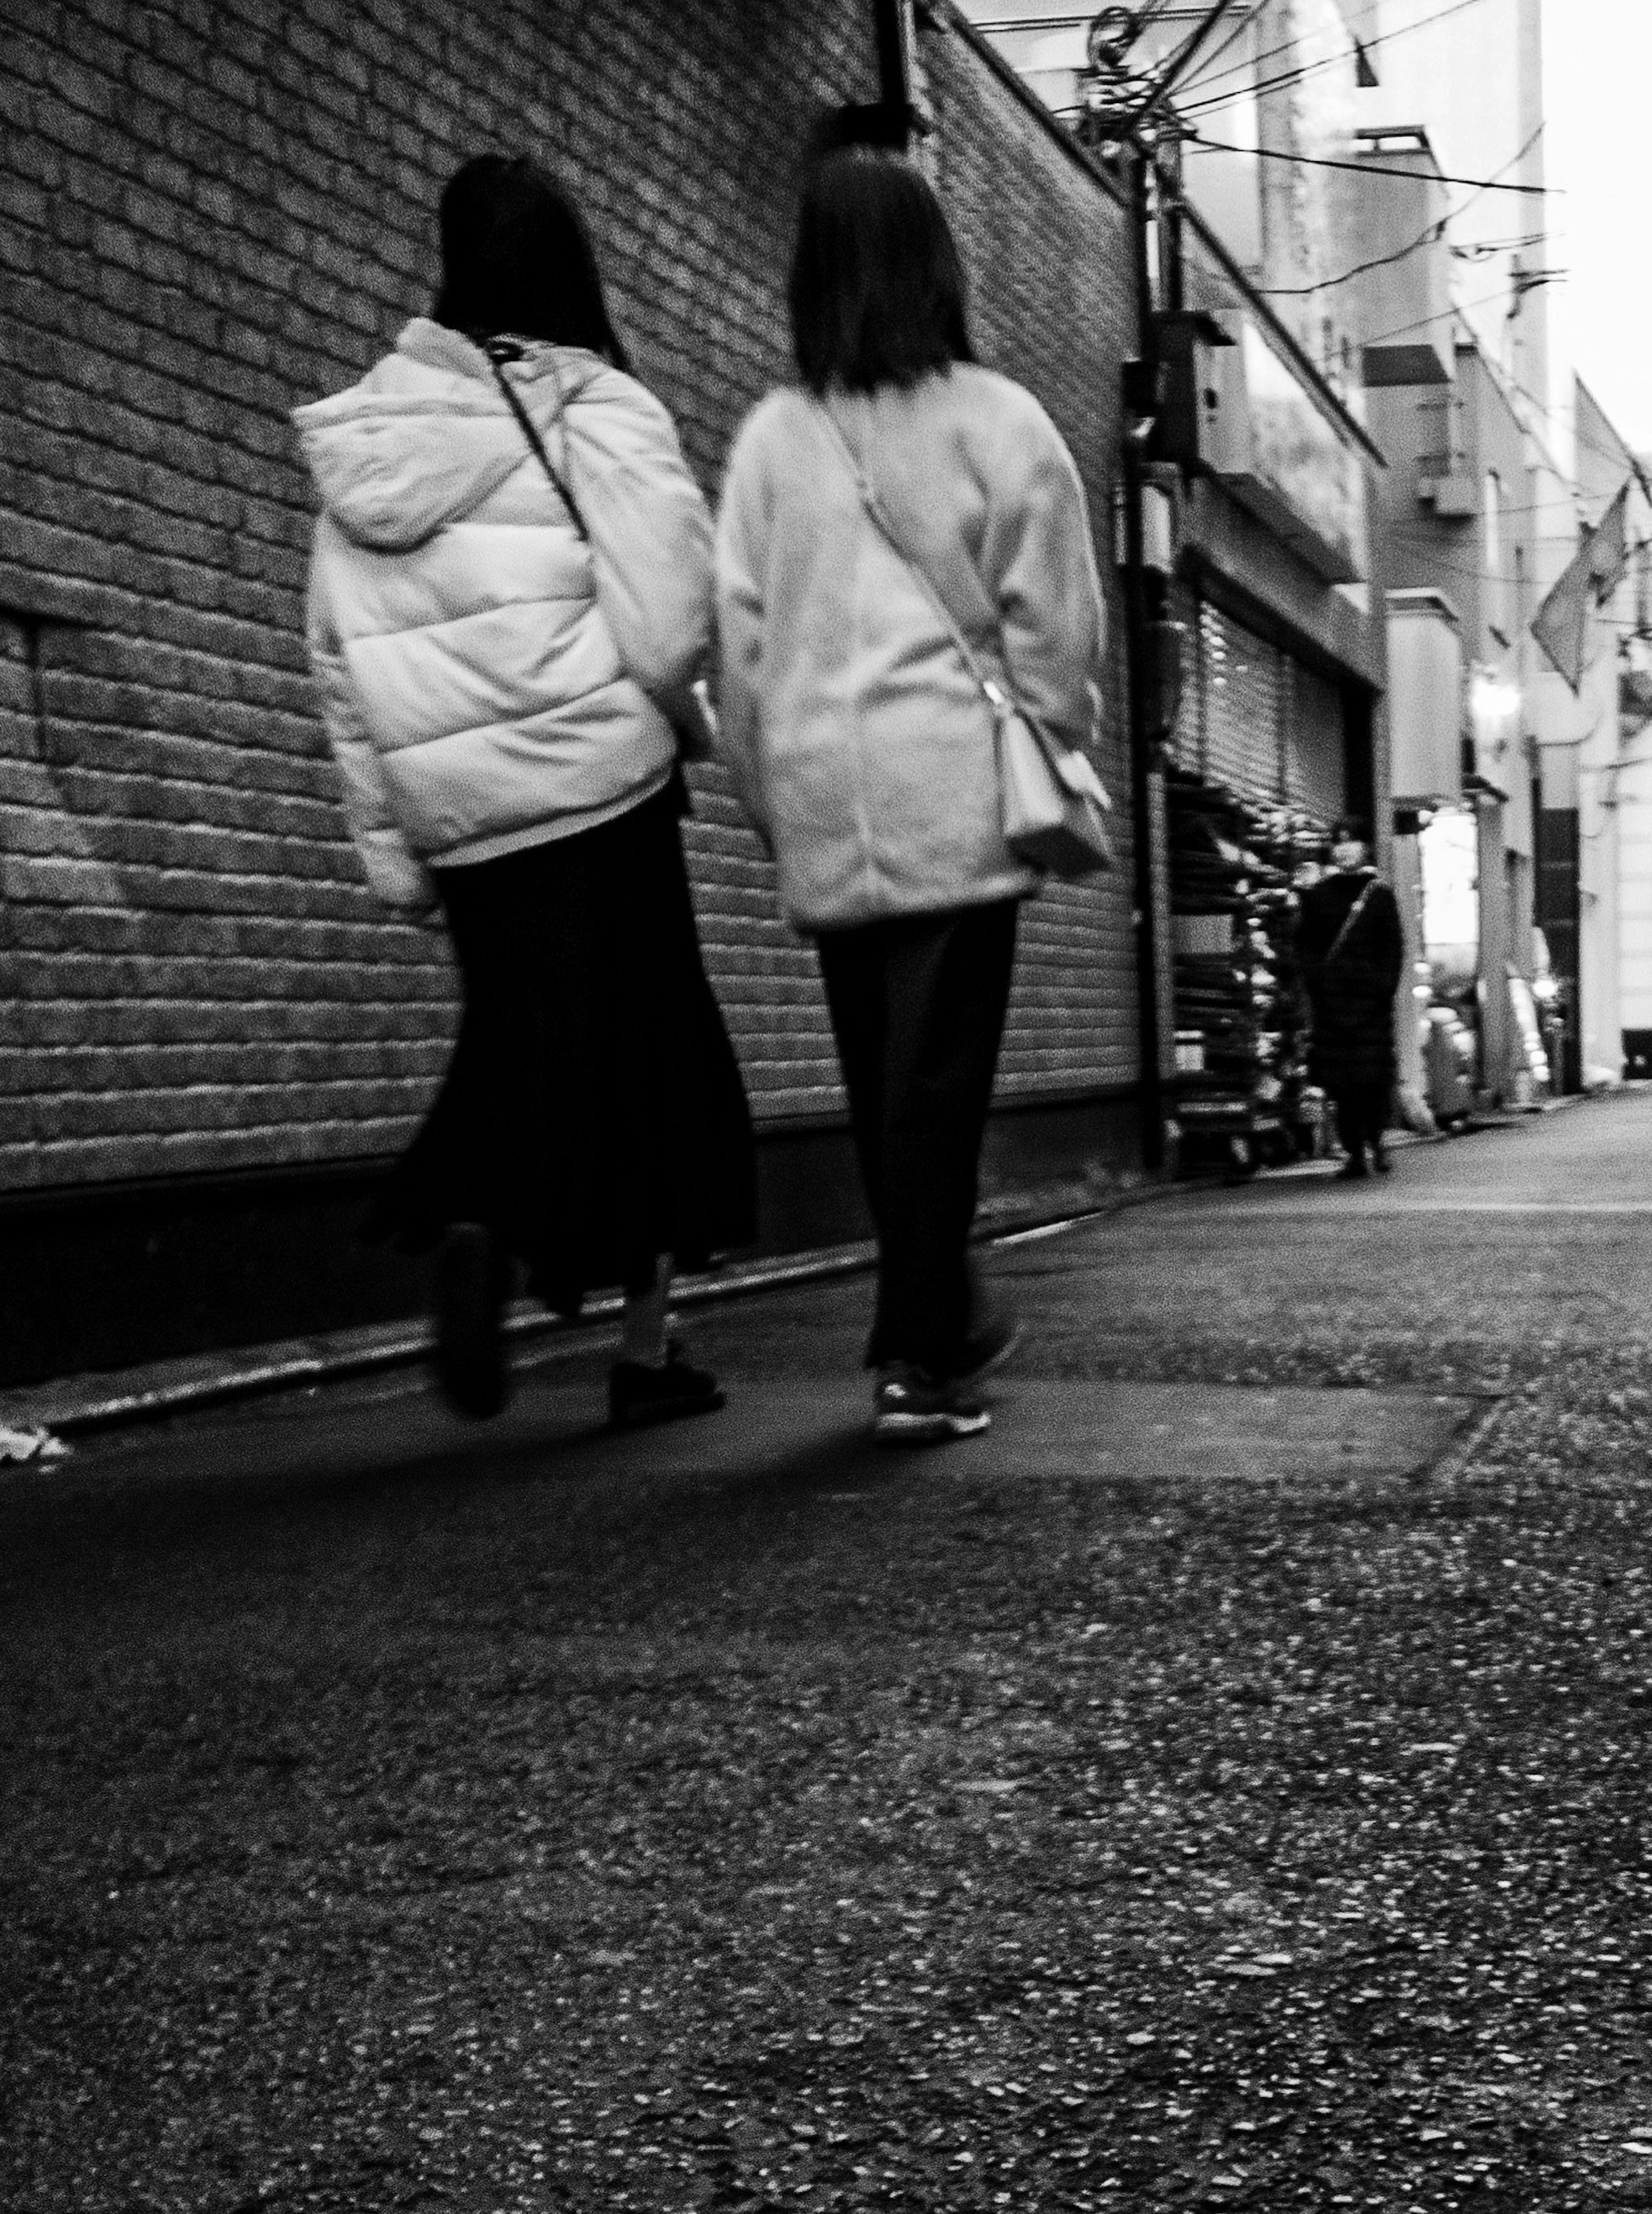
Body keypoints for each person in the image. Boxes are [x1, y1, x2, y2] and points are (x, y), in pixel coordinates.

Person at [298, 155, 752, 1428]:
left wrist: (394, 849)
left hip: (463, 817)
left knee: (523, 1047)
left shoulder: (370, 438)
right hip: (601, 789)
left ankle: (484, 1223)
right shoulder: (598, 406)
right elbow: (667, 626)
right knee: (656, 1068)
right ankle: (640, 1346)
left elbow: (340, 668)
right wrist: (689, 723)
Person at [716, 115, 1109, 1446]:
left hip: (826, 794)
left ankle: (935, 1323)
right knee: (938, 1085)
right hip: (952, 786)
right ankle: (914, 1356)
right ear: (940, 264)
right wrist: (1052, 733)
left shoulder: (774, 437)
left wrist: (773, 800)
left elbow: (742, 643)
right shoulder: (997, 419)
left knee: (886, 1083)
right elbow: (1055, 620)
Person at [1293, 820, 1404, 1179]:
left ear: (1365, 848)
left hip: (1371, 1004)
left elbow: (1393, 947)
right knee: (1342, 1084)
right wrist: (1318, 983)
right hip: (1333, 1004)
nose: (1344, 849)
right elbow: (1305, 946)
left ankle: (1376, 1141)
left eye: (1352, 841)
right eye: (1338, 843)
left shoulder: (1380, 894)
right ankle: (1355, 1151)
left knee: (1374, 1079)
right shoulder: (1319, 895)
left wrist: (1383, 987)